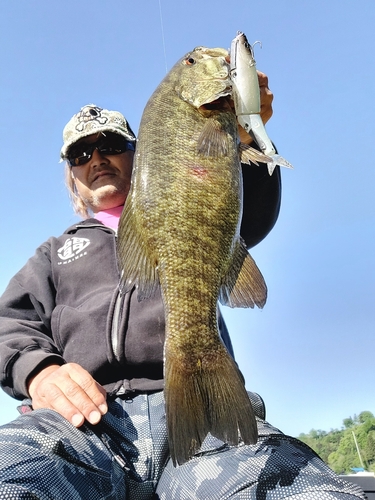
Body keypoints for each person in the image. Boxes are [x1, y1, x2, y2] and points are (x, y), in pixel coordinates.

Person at [0, 73, 365, 499]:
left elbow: (254, 212)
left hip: (204, 412)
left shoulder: (196, 185)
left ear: (144, 154)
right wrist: (39, 371)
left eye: (113, 145)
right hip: (82, 422)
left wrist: (246, 129)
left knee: (293, 489)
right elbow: (10, 324)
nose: (97, 157)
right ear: (72, 175)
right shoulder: (54, 253)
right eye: (81, 152)